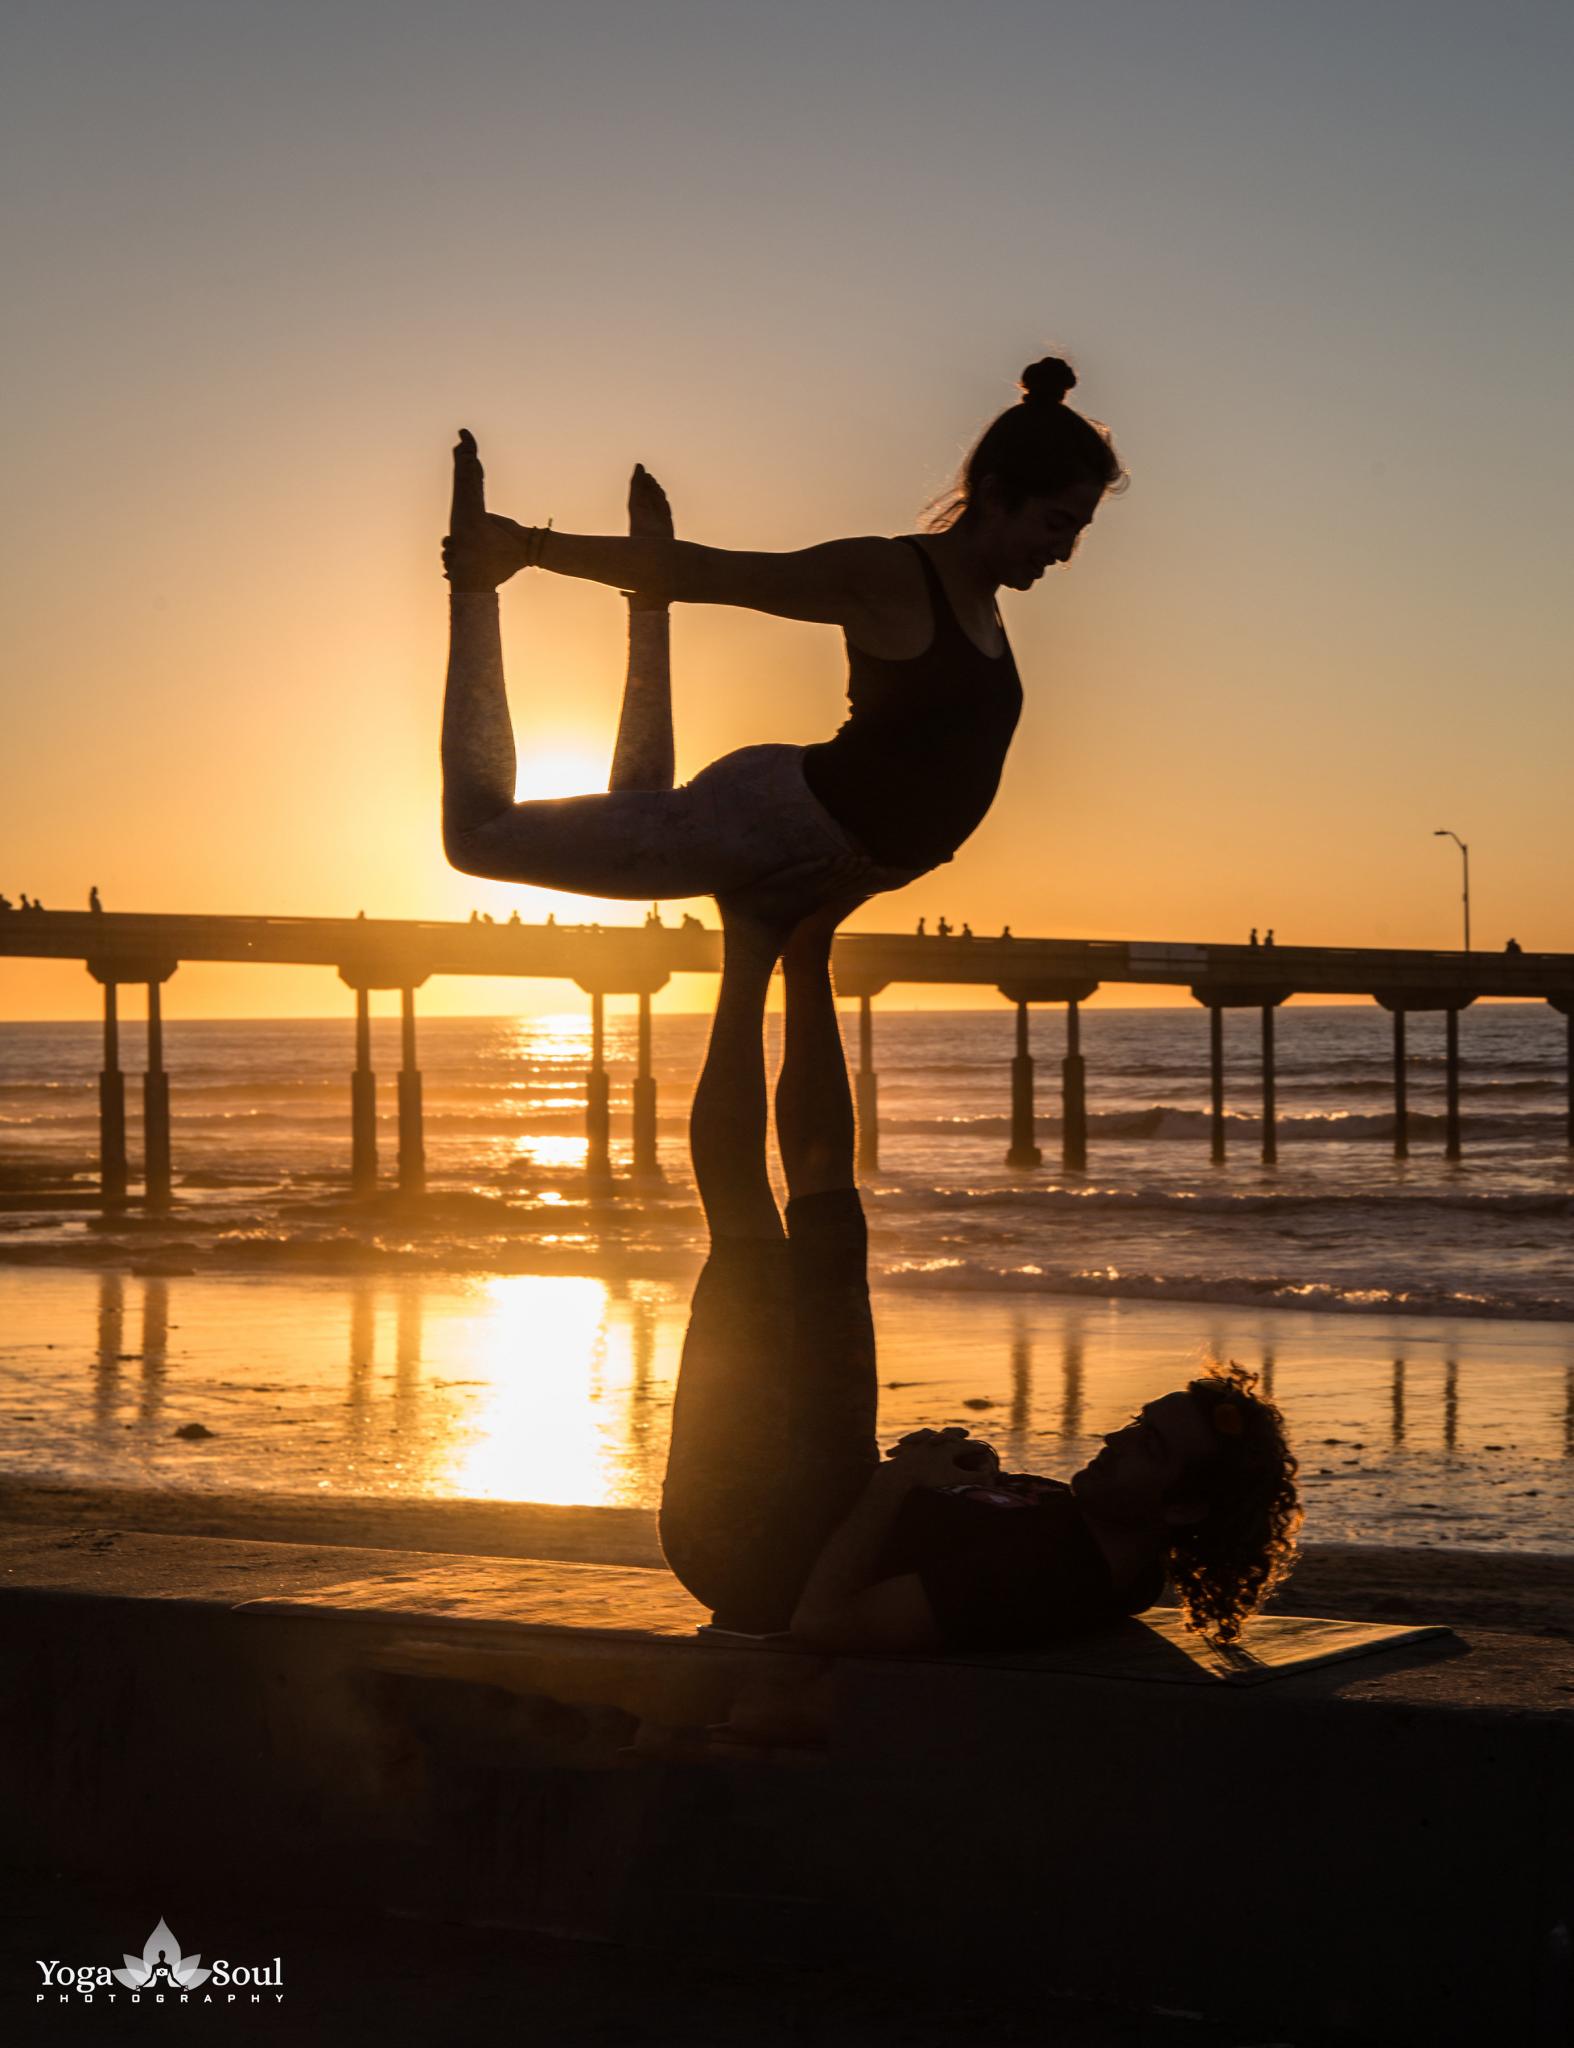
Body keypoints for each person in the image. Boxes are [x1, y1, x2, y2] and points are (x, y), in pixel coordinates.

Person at [657, 895, 1304, 1654]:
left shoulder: (1057, 1577)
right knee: (831, 1211)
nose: (1115, 1438)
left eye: (1148, 1447)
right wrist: (970, 1479)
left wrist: (900, 1483)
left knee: (747, 1233)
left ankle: (747, 948)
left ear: (1183, 1510)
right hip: (826, 1480)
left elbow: (820, 1626)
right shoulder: (1106, 1539)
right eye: (1138, 1424)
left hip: (743, 1537)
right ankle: (806, 952)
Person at [440, 358, 1125, 920]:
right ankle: (478, 581)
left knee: (636, 811)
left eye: (1079, 531)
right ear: (998, 494)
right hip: (778, 819)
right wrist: (528, 547)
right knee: (477, 841)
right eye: (1057, 523)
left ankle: (627, 589)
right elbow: (716, 574)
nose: (1065, 550)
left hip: (821, 840)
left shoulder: (983, 605)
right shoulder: (889, 576)